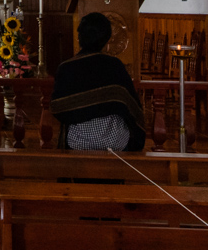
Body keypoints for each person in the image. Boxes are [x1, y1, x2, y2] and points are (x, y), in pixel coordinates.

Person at [51, 13, 145, 151]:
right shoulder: (115, 65)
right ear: (107, 39)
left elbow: (57, 107)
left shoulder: (66, 67)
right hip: (115, 142)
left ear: (79, 37)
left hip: (77, 142)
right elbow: (132, 106)